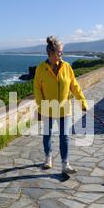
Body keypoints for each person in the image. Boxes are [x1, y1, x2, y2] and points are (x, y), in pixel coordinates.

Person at [34, 36, 88, 174]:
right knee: (47, 134)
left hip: (65, 108)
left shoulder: (67, 67)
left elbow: (74, 86)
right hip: (47, 107)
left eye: (61, 52)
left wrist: (82, 101)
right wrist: (41, 105)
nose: (61, 54)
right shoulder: (41, 69)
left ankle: (65, 164)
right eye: (59, 52)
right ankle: (48, 158)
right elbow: (37, 88)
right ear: (50, 53)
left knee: (64, 136)